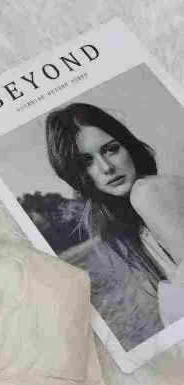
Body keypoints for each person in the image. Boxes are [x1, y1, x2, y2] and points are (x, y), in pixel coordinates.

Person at [45, 102, 184, 328]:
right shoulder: (133, 211)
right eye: (86, 162)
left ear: (127, 146)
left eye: (111, 149)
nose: (106, 167)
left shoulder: (148, 192)